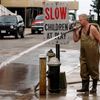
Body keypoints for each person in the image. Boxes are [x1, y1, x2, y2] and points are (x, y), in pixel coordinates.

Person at [73, 14, 100, 94]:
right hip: (83, 54)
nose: (79, 21)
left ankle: (94, 88)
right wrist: (74, 31)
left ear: (85, 20)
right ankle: (85, 87)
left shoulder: (92, 28)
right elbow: (75, 40)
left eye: (80, 20)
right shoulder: (80, 29)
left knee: (93, 69)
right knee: (83, 69)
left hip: (93, 54)